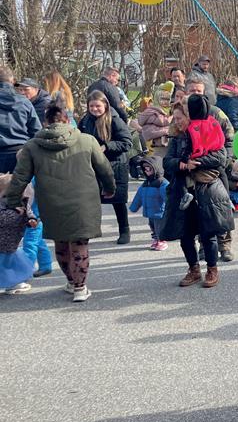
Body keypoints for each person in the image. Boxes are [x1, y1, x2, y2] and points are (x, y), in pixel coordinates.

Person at [4, 104, 115, 302]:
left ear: (45, 122)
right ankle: (80, 288)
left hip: (51, 201)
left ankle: (71, 281)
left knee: (61, 242)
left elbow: (20, 178)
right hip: (83, 201)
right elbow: (104, 169)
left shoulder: (32, 146)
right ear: (66, 120)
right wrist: (110, 188)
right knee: (79, 243)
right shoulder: (87, 140)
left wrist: (12, 201)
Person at [161, 104, 233, 288]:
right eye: (174, 118)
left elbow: (220, 156)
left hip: (206, 190)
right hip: (183, 191)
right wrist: (183, 164)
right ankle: (193, 270)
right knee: (185, 235)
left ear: (189, 117)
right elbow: (167, 162)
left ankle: (212, 269)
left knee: (208, 233)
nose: (176, 122)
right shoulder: (177, 138)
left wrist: (197, 162)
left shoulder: (207, 132)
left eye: (179, 118)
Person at [78, 91, 134, 245]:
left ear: (105, 105)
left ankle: (124, 230)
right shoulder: (85, 120)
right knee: (91, 200)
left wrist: (106, 147)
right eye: (91, 106)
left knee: (118, 201)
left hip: (115, 164)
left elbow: (127, 142)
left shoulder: (114, 120)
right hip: (93, 165)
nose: (94, 109)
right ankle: (90, 230)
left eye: (98, 106)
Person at [176, 95, 226, 210]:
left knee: (181, 174)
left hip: (198, 155)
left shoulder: (192, 127)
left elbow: (190, 146)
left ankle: (185, 193)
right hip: (214, 150)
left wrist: (184, 159)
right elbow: (221, 138)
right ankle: (227, 196)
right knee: (222, 173)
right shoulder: (213, 121)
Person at [0, 65, 41, 173]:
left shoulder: (24, 102)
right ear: (12, 81)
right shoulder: (24, 102)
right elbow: (36, 131)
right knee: (19, 183)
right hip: (19, 153)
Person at [0, 175, 36, 294]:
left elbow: (29, 212)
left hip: (12, 241)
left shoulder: (22, 201)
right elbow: (3, 218)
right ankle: (11, 283)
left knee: (12, 262)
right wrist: (15, 212)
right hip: (3, 240)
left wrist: (31, 219)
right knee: (4, 263)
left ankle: (14, 283)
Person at [129, 156, 169, 251]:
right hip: (150, 211)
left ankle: (162, 240)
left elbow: (168, 197)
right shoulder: (146, 183)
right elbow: (139, 196)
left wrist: (172, 209)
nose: (147, 171)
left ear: (156, 169)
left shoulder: (162, 183)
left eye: (149, 169)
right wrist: (134, 207)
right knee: (152, 226)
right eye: (145, 169)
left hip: (160, 211)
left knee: (159, 227)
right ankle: (156, 239)